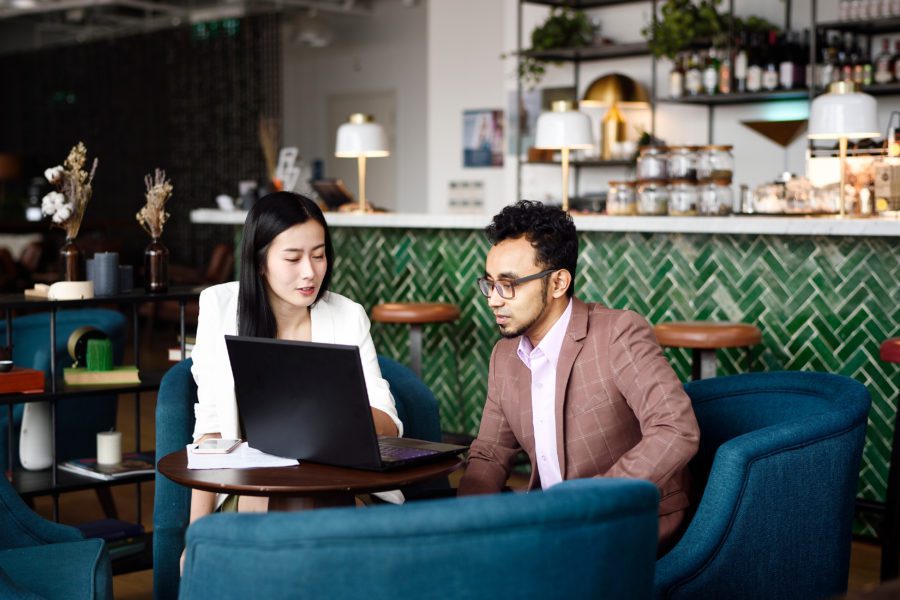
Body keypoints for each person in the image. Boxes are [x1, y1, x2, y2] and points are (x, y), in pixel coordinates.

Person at [457, 200, 699, 549]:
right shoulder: (505, 354)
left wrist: (586, 501)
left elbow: (676, 430)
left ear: (558, 282)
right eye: (489, 283)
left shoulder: (618, 334)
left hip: (629, 523)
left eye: (508, 284)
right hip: (555, 527)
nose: (494, 299)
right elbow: (491, 453)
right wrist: (463, 528)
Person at [188, 191, 403, 522]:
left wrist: (339, 415)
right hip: (252, 490)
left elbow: (388, 423)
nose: (310, 273)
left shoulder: (347, 315)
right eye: (292, 259)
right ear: (260, 261)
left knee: (313, 505)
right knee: (277, 503)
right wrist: (195, 538)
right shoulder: (219, 309)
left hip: (339, 486)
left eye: (318, 256)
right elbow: (211, 435)